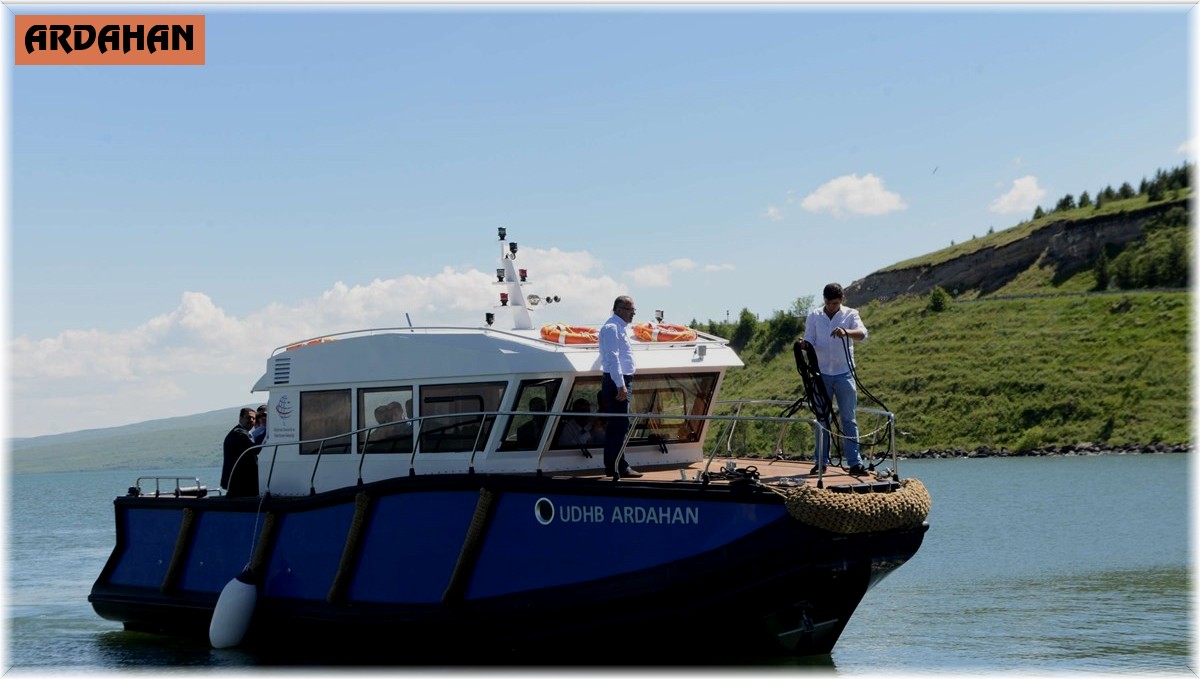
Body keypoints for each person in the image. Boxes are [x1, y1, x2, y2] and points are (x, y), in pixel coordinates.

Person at [803, 283, 869, 476]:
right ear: (824, 300)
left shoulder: (850, 314)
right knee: (822, 419)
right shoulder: (814, 315)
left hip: (844, 373)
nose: (832, 306)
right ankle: (821, 462)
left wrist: (846, 332)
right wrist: (803, 345)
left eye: (835, 303)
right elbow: (809, 340)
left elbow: (863, 334)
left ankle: (855, 463)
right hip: (821, 373)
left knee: (849, 418)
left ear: (841, 300)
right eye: (829, 303)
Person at [598, 296, 642, 479]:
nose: (633, 314)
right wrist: (621, 385)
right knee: (619, 424)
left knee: (620, 424)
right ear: (619, 309)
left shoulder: (620, 328)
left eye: (633, 310)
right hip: (618, 381)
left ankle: (615, 465)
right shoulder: (611, 328)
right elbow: (612, 358)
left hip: (622, 380)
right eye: (631, 310)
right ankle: (618, 466)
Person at [221, 408, 260, 497]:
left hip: (242, 482)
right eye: (248, 417)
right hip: (239, 482)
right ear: (240, 418)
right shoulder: (239, 433)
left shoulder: (246, 433)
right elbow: (255, 449)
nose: (251, 420)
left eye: (254, 418)